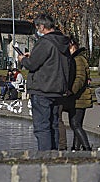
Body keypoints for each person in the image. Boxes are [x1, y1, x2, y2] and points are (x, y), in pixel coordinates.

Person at [18, 14, 70, 151]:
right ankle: (53, 154)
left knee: (42, 127)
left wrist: (23, 60)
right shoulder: (62, 42)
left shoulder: (45, 42)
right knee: (54, 125)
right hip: (57, 89)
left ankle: (44, 157)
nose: (37, 30)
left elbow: (32, 64)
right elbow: (51, 61)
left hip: (43, 89)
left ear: (42, 27)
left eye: (37, 27)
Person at [63, 36, 93, 151]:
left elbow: (80, 78)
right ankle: (75, 148)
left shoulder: (78, 59)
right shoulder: (77, 58)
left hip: (79, 98)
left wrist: (71, 91)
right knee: (77, 124)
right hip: (79, 97)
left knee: (75, 124)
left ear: (72, 45)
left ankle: (87, 148)